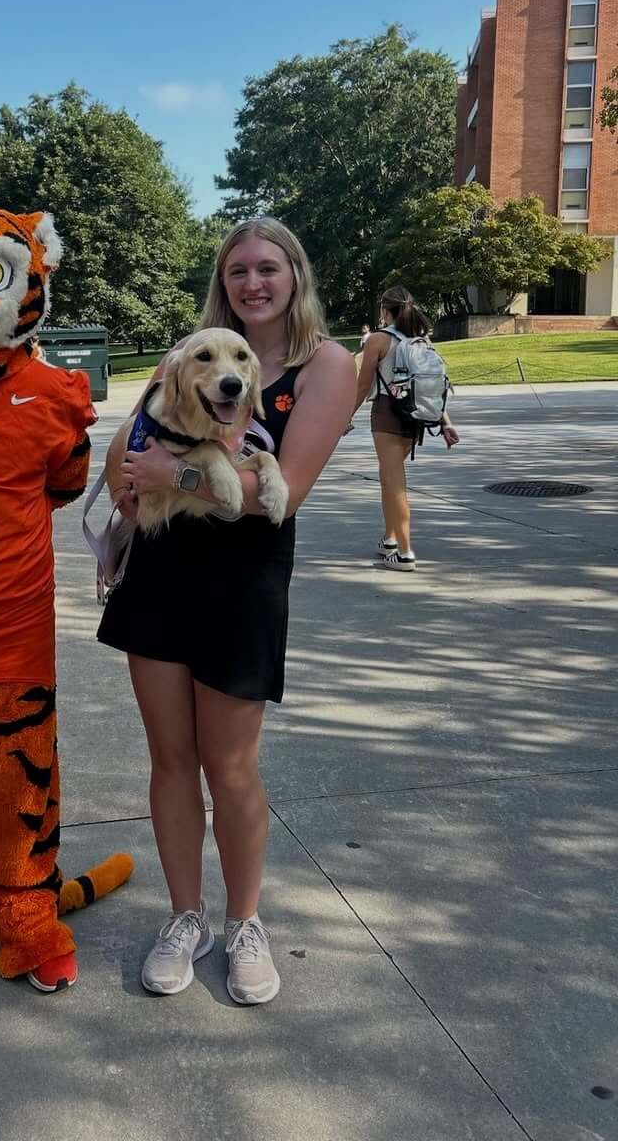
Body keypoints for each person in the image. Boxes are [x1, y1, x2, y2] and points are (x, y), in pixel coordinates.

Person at [97, 217, 355, 1005]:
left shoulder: (324, 366)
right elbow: (124, 462)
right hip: (161, 570)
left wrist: (174, 474)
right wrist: (145, 476)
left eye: (268, 267)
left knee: (232, 767)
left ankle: (245, 923)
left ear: (295, 274)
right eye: (238, 270)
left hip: (245, 583)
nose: (253, 283)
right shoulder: (194, 352)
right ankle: (187, 917)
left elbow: (279, 498)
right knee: (171, 760)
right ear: (224, 282)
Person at [352, 285, 460, 572]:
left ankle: (404, 552)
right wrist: (445, 422)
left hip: (387, 414)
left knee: (395, 483)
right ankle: (390, 538)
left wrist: (344, 417)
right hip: (415, 416)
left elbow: (362, 386)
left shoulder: (378, 340)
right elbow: (431, 388)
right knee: (388, 478)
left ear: (385, 309)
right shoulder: (421, 340)